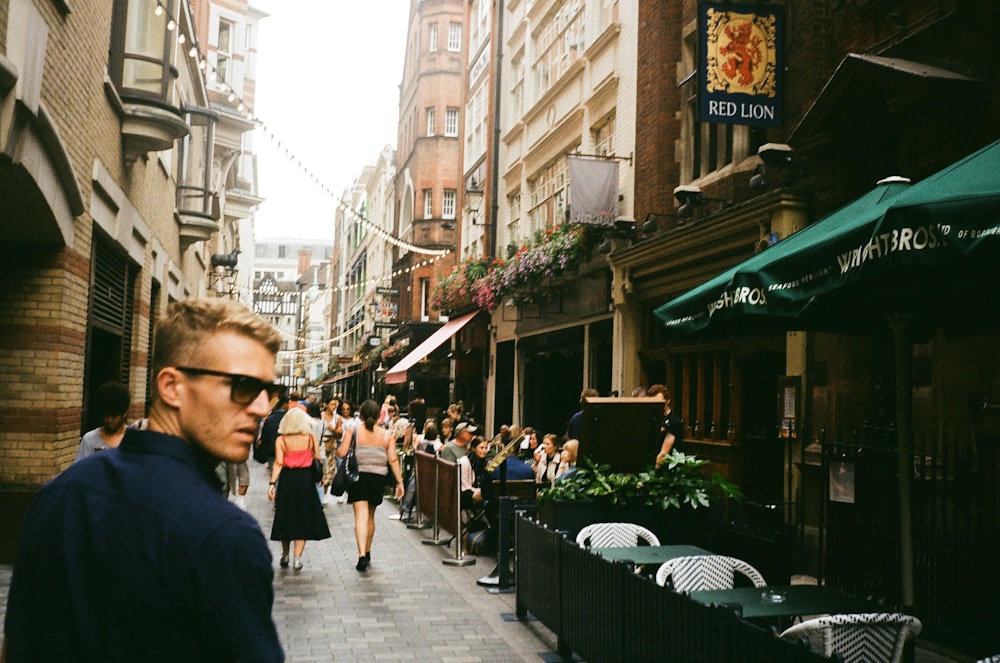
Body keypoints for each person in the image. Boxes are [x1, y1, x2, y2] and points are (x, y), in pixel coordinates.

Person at [3, 298, 285, 661]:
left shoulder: (62, 491)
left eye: (269, 391)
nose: (262, 407)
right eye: (243, 386)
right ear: (171, 386)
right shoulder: (224, 535)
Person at [338, 399, 404, 572]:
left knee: (360, 516)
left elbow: (341, 452)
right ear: (377, 416)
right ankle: (367, 551)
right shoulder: (387, 434)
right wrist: (400, 482)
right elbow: (393, 459)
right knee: (371, 516)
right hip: (378, 478)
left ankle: (361, 555)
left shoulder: (353, 431)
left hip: (358, 476)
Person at [267, 407, 331, 570]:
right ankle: (297, 558)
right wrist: (320, 476)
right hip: (305, 480)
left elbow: (279, 463)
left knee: (285, 516)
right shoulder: (310, 438)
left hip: (288, 480)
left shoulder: (281, 440)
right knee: (302, 518)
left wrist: (272, 484)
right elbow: (317, 458)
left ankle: (285, 554)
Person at [74, 381, 131, 461]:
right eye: (106, 415)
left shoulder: (134, 440)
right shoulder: (89, 439)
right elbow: (79, 470)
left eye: (114, 416)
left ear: (124, 413)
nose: (109, 420)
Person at [648, 383, 685, 467]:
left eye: (660, 402)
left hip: (669, 468)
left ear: (667, 400)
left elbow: (663, 454)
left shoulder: (673, 421)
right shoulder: (655, 418)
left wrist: (652, 475)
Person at [256, 392, 291, 470]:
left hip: (271, 448)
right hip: (285, 448)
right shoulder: (288, 417)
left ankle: (273, 480)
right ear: (284, 404)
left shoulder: (270, 417)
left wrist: (262, 441)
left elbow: (265, 433)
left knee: (273, 469)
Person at [319, 396, 343, 503]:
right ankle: (319, 490)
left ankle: (325, 493)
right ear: (327, 405)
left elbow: (339, 433)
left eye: (335, 405)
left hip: (331, 444)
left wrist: (332, 429)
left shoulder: (337, 418)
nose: (334, 407)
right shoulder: (321, 416)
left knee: (330, 468)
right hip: (321, 443)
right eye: (332, 404)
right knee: (320, 468)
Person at [458, 436, 490, 510]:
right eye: (481, 448)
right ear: (473, 448)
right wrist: (478, 491)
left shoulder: (484, 462)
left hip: (476, 490)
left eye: (486, 448)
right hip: (464, 493)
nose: (484, 451)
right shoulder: (465, 461)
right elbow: (465, 486)